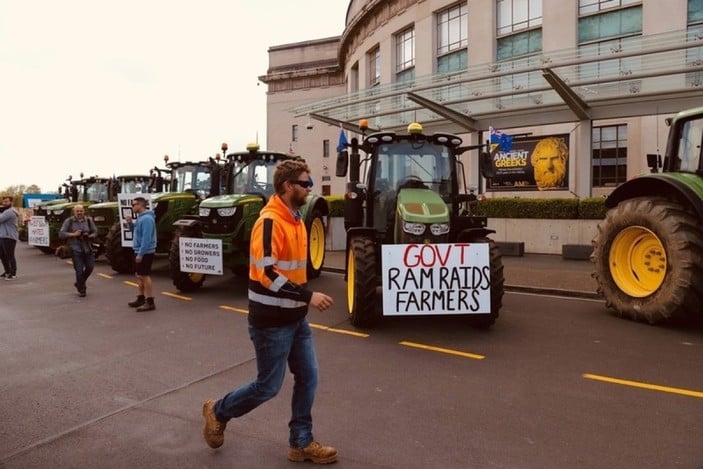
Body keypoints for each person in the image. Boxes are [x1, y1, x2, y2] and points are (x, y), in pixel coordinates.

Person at [201, 160, 337, 464]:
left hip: (296, 319)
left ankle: (300, 442)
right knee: (268, 387)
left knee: (308, 377)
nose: (310, 188)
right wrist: (309, 296)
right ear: (288, 186)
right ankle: (217, 410)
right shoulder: (269, 222)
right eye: (306, 183)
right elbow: (267, 274)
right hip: (271, 323)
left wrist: (303, 302)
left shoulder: (297, 219)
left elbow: (296, 270)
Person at [59, 205, 97, 297]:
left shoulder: (88, 220)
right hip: (75, 248)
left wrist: (90, 236)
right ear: (74, 212)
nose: (79, 213)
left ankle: (79, 282)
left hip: (87, 248)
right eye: (77, 211)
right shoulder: (69, 221)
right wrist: (74, 234)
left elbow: (95, 232)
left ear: (84, 211)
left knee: (90, 267)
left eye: (81, 211)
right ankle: (82, 289)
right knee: (79, 270)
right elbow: (61, 233)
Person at [128, 197, 157, 312]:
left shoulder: (146, 219)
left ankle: (150, 302)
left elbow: (146, 238)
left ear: (140, 205)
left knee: (144, 275)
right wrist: (130, 223)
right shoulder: (141, 218)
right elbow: (136, 233)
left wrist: (141, 254)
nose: (132, 207)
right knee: (139, 275)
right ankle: (141, 298)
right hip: (139, 250)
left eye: (134, 205)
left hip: (145, 251)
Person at [0, 196, 19, 280]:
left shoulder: (10, 212)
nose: (4, 203)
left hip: (10, 236)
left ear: (11, 202)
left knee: (9, 255)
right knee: (2, 255)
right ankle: (7, 271)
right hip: (3, 235)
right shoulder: (5, 211)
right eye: (3, 201)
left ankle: (13, 273)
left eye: (7, 201)